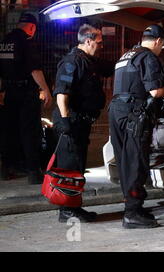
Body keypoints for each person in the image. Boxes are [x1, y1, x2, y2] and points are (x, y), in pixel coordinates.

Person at [109, 25, 164, 229]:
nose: (161, 49)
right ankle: (132, 214)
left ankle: (132, 206)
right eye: (163, 45)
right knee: (136, 161)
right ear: (158, 41)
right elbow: (154, 91)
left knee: (125, 161)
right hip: (134, 114)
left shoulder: (125, 56)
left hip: (117, 111)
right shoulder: (148, 57)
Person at [52, 23, 106, 223]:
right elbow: (62, 94)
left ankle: (74, 207)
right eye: (98, 42)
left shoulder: (88, 61)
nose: (101, 46)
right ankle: (66, 210)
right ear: (88, 41)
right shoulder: (72, 62)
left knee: (77, 168)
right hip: (70, 122)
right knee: (69, 168)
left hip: (80, 122)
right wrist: (65, 121)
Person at [0, 12, 52, 184]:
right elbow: (35, 70)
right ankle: (33, 172)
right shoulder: (26, 42)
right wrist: (45, 89)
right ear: (32, 27)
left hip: (8, 92)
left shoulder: (6, 41)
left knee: (9, 131)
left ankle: (6, 168)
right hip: (25, 93)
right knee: (30, 131)